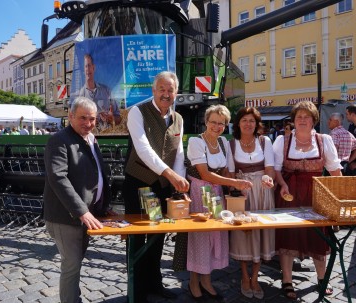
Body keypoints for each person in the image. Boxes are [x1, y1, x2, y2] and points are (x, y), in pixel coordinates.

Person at [123, 71, 189, 303]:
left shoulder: (178, 119)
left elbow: (178, 153)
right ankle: (137, 288)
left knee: (157, 236)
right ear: (153, 90)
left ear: (176, 93)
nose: (166, 93)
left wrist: (179, 184)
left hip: (161, 187)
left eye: (170, 89)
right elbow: (143, 150)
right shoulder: (137, 112)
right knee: (138, 236)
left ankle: (154, 284)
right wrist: (171, 175)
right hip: (139, 183)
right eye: (161, 89)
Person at [43, 96, 114, 303]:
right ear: (70, 116)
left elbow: (99, 172)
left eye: (92, 119)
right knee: (72, 266)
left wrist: (102, 205)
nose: (88, 123)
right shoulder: (59, 140)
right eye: (83, 118)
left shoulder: (90, 139)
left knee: (75, 264)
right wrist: (82, 211)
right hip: (66, 216)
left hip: (86, 215)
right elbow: (58, 177)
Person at [272, 101, 342, 300]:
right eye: (299, 117)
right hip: (289, 193)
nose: (302, 120)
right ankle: (287, 280)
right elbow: (276, 169)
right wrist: (282, 184)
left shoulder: (324, 140)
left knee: (318, 236)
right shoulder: (282, 141)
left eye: (307, 117)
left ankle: (322, 278)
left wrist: (340, 197)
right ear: (293, 120)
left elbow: (335, 170)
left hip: (316, 195)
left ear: (313, 120)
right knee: (288, 236)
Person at [186, 104, 252, 302]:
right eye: (213, 122)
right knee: (200, 237)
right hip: (199, 191)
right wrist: (234, 182)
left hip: (215, 193)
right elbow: (205, 173)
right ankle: (193, 281)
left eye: (221, 123)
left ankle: (206, 280)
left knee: (215, 236)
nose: (216, 126)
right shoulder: (196, 142)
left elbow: (226, 171)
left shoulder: (223, 142)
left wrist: (235, 184)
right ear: (206, 122)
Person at [227, 107, 275, 300]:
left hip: (263, 192)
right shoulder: (231, 145)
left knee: (261, 233)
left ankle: (255, 277)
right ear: (238, 123)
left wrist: (267, 179)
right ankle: (245, 277)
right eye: (245, 120)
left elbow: (270, 169)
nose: (248, 124)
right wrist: (238, 187)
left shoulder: (265, 142)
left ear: (257, 124)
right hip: (243, 193)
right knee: (243, 235)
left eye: (252, 121)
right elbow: (229, 174)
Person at [72, 54, 121, 129]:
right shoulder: (79, 97)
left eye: (89, 65)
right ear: (83, 71)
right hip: (87, 137)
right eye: (85, 66)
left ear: (93, 67)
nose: (87, 69)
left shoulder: (106, 91)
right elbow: (75, 122)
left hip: (106, 137)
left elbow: (119, 119)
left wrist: (112, 118)